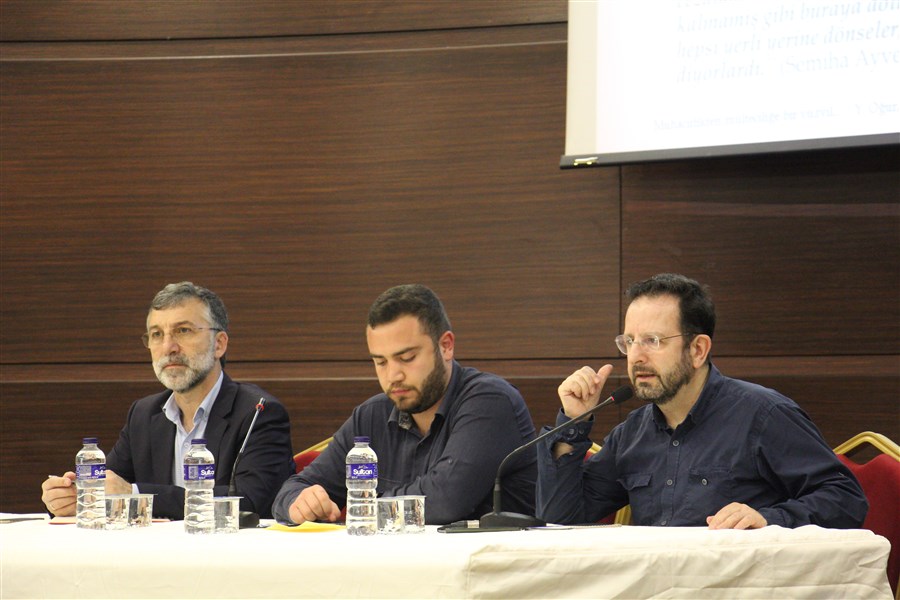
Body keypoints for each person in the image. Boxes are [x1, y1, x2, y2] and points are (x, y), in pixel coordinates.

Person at [536, 273, 867, 529]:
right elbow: (559, 519)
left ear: (697, 350)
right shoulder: (632, 434)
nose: (636, 356)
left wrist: (769, 519)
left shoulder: (763, 415)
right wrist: (573, 424)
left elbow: (846, 499)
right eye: (630, 341)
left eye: (653, 341)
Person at [273, 284, 537, 525]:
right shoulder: (370, 417)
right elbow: (292, 490)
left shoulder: (490, 402)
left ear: (446, 346)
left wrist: (363, 508)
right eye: (381, 362)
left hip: (483, 561)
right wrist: (300, 503)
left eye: (407, 358)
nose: (393, 375)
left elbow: (444, 501)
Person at [41, 282, 295, 520]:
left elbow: (249, 502)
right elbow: (109, 485)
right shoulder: (144, 414)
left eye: (183, 331)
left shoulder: (258, 412)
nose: (168, 347)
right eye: (156, 334)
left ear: (219, 344)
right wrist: (71, 497)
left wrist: (135, 494)